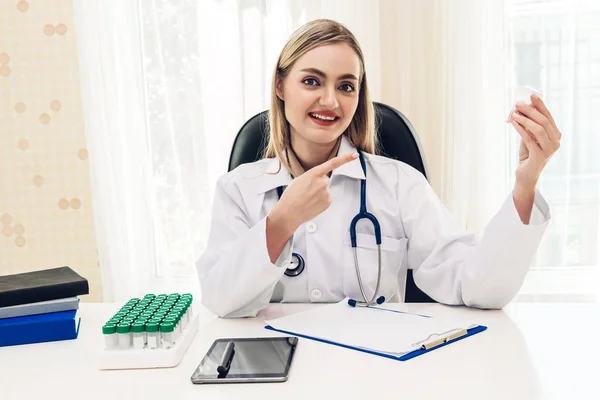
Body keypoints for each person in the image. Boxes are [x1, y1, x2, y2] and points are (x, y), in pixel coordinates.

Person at [196, 19, 562, 318]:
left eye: (346, 86)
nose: (330, 100)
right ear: (280, 84)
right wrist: (280, 223)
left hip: (374, 377)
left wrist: (526, 184)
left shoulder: (399, 183)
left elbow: (479, 287)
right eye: (311, 81)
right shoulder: (238, 189)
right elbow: (220, 300)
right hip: (280, 377)